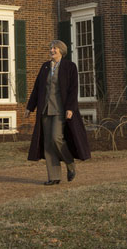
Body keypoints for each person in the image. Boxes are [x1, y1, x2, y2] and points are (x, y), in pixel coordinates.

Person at [25, 40, 91, 185]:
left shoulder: (70, 67)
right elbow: (37, 89)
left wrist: (70, 108)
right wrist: (30, 107)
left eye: (54, 48)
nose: (52, 50)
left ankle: (70, 163)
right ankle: (54, 176)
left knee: (56, 138)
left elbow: (73, 89)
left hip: (61, 109)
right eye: (51, 48)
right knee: (48, 144)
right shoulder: (45, 67)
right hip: (45, 109)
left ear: (61, 50)